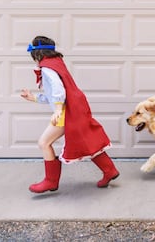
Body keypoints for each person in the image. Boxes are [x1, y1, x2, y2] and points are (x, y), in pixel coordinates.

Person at [20, 36, 119, 193]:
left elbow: (59, 91)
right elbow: (54, 94)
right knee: (87, 142)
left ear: (37, 53)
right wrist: (33, 98)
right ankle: (110, 171)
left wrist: (58, 110)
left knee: (44, 143)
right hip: (75, 109)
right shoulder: (56, 64)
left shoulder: (47, 68)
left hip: (66, 113)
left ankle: (51, 181)